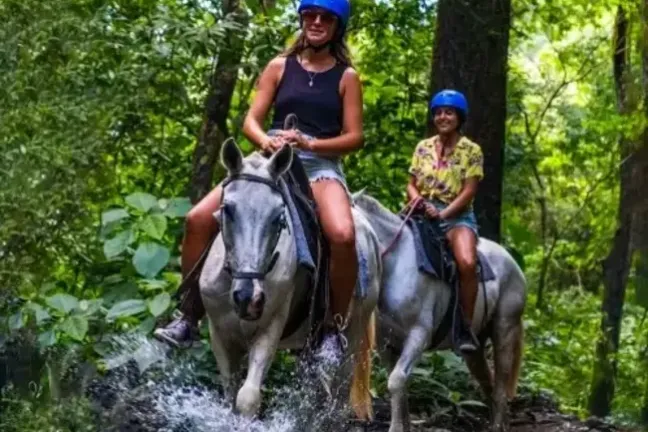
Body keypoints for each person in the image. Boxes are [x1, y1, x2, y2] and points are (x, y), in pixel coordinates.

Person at [155, 0, 363, 366]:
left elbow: (354, 137)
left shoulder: (347, 77)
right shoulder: (278, 67)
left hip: (318, 168)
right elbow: (251, 120)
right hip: (268, 163)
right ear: (302, 19)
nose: (316, 22)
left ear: (336, 26)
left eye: (325, 18)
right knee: (198, 219)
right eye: (310, 15)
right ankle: (188, 315)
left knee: (343, 235)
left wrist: (310, 142)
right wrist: (265, 140)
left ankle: (334, 328)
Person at [406, 89, 484, 354]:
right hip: (420, 211)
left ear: (459, 117)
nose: (443, 117)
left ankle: (464, 327)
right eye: (438, 113)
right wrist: (418, 201)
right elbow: (411, 184)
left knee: (466, 261)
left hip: (456, 216)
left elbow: (469, 190)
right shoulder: (423, 147)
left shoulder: (471, 151)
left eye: (448, 112)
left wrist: (443, 213)